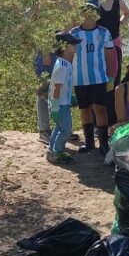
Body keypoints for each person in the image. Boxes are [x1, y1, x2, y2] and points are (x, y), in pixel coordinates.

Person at [34, 0, 76, 144]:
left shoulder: (73, 0)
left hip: (64, 52)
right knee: (45, 89)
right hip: (48, 49)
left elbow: (73, 26)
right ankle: (44, 129)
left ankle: (63, 127)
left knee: (63, 88)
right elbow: (42, 25)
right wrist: (45, 51)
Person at [70, 2, 117, 154]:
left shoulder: (104, 32)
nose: (89, 16)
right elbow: (69, 55)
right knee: (85, 109)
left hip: (99, 77)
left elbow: (109, 55)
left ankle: (103, 143)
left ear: (98, 15)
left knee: (100, 109)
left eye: (93, 13)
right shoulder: (74, 33)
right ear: (81, 14)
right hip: (80, 78)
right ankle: (89, 142)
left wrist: (110, 76)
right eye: (86, 12)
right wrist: (67, 77)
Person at [87, 0, 129, 124]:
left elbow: (127, 13)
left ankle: (111, 120)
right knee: (96, 83)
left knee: (113, 83)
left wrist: (119, 23)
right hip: (96, 49)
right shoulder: (91, 1)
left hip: (114, 48)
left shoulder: (117, 1)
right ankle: (96, 122)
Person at [47, 31, 82, 164]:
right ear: (64, 47)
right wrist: (55, 107)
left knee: (59, 127)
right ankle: (58, 152)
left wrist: (70, 97)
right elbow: (57, 87)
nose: (75, 46)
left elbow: (62, 86)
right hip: (60, 105)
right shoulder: (62, 66)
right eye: (72, 44)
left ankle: (52, 151)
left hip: (63, 102)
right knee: (66, 130)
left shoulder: (65, 63)